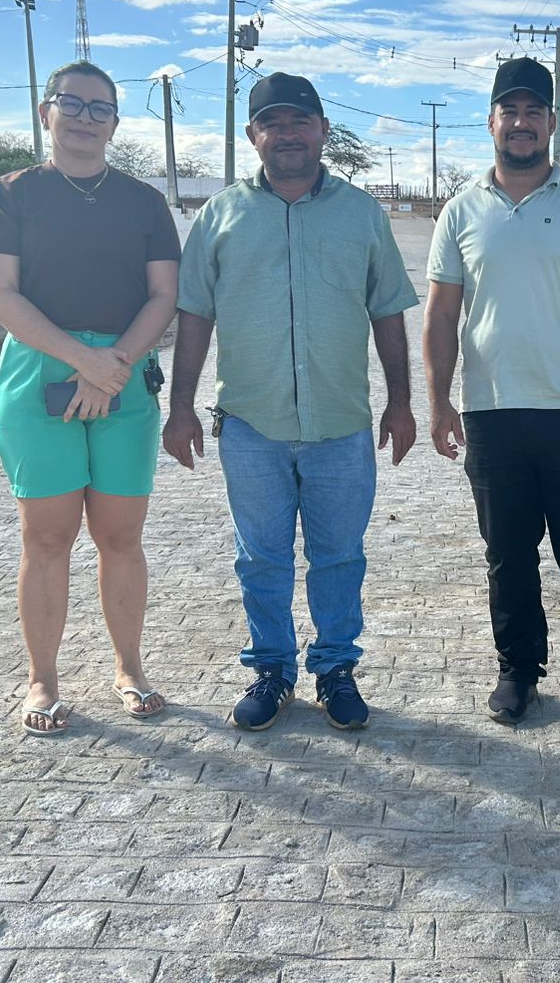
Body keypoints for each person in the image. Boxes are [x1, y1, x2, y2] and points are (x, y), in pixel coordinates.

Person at [163, 72, 417, 733]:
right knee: (261, 559)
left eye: (300, 120)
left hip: (341, 424)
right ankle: (272, 671)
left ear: (323, 130)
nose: (288, 134)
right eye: (272, 123)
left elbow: (388, 311)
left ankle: (335, 670)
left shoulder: (362, 214)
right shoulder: (220, 216)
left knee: (340, 557)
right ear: (253, 135)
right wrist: (181, 406)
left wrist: (401, 402)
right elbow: (195, 315)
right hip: (252, 424)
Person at [424, 57, 560, 746]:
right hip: (492, 414)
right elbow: (441, 314)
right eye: (509, 111)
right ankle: (518, 671)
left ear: (551, 122)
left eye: (534, 111)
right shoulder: (461, 210)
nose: (521, 123)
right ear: (491, 122)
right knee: (507, 556)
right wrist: (438, 401)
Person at [0, 60, 181, 736]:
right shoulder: (11, 195)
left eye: (101, 108)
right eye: (73, 104)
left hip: (125, 371)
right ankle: (43, 679)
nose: (86, 118)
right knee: (47, 536)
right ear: (47, 113)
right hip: (40, 373)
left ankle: (129, 667)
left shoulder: (143, 203)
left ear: (115, 123)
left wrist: (110, 365)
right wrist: (81, 360)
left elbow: (163, 296)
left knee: (121, 536)